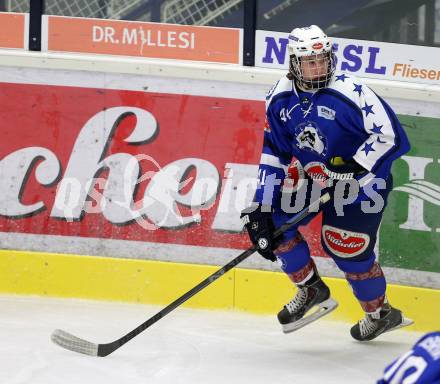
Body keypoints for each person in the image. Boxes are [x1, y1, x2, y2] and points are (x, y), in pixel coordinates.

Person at [240, 25, 413, 341]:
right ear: (294, 62)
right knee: (271, 222)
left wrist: (356, 166)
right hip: (316, 179)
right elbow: (274, 152)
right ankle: (311, 289)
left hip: (363, 185)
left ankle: (380, 314)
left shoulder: (351, 92)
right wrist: (262, 201)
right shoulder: (278, 98)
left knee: (343, 244)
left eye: (323, 59)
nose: (319, 66)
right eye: (311, 61)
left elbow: (392, 137)